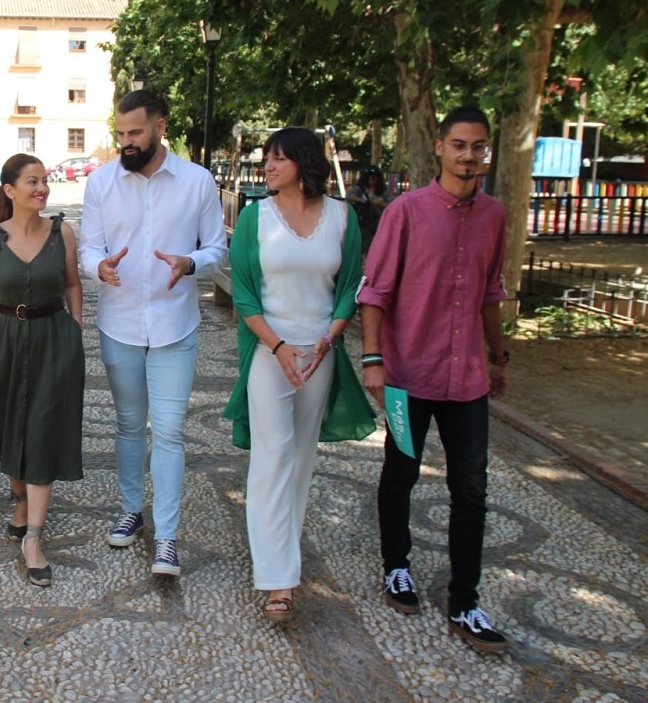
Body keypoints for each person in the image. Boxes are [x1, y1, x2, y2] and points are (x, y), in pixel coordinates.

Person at [358, 106, 511, 654]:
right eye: (460, 145)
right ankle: (396, 566)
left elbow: (492, 293)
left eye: (479, 147)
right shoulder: (406, 212)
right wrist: (373, 359)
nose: (469, 155)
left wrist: (499, 357)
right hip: (406, 373)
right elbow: (374, 292)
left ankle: (465, 600)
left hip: (466, 378)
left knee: (471, 487)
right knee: (400, 474)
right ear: (441, 147)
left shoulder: (494, 217)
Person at [222, 128, 375, 621]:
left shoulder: (342, 217)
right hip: (271, 351)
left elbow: (351, 284)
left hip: (321, 352)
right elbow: (244, 293)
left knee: (301, 460)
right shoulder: (254, 217)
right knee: (272, 457)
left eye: (279, 158)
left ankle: (282, 558)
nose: (267, 166)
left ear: (305, 164)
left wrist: (329, 339)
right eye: (266, 158)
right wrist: (279, 345)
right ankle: (278, 581)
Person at [78, 90, 227, 577]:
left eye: (135, 133)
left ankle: (166, 537)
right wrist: (99, 266)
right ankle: (130, 509)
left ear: (160, 126)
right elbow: (87, 248)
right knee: (126, 424)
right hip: (119, 326)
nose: (125, 142)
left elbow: (216, 250)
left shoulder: (197, 182)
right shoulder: (101, 183)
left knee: (168, 431)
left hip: (173, 327)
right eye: (119, 133)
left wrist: (190, 263)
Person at [0, 154, 84, 587]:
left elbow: (72, 283)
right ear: (9, 190)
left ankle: (33, 539)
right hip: (4, 340)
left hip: (54, 341)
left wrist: (73, 332)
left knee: (41, 432)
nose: (42, 188)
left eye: (45, 180)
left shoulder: (62, 233)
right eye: (32, 181)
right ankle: (20, 502)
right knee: (10, 427)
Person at [346, 166, 391, 252]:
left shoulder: (384, 190)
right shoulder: (360, 188)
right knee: (366, 242)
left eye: (373, 178)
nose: (371, 181)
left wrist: (380, 203)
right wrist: (363, 200)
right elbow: (349, 195)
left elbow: (391, 204)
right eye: (369, 178)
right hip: (364, 221)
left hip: (379, 220)